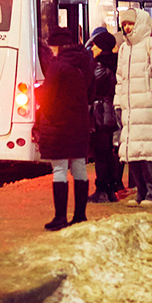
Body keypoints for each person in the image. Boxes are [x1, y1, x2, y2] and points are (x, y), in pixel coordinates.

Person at [36, 27, 95, 230]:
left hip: (59, 123)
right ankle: (80, 215)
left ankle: (60, 217)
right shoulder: (85, 63)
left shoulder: (57, 66)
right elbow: (91, 91)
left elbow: (48, 95)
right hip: (79, 123)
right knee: (79, 167)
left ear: (58, 46)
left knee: (60, 169)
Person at [115, 8, 152, 207]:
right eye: (124, 24)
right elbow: (120, 79)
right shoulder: (124, 49)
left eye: (130, 23)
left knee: (149, 153)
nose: (127, 27)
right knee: (133, 155)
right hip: (130, 111)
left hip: (147, 109)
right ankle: (142, 192)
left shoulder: (151, 44)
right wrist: (118, 104)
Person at [87, 31, 121, 203]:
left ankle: (102, 190)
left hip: (101, 113)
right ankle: (110, 189)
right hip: (112, 113)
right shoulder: (116, 63)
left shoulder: (99, 66)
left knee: (101, 153)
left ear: (101, 47)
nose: (92, 47)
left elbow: (90, 89)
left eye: (95, 45)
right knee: (109, 152)